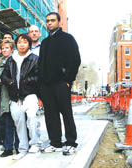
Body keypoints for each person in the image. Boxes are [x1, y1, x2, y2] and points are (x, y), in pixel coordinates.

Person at [38, 12, 81, 155]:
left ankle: (71, 142)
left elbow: (75, 60)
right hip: (46, 85)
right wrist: (41, 84)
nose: (49, 23)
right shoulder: (44, 42)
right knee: (50, 114)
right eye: (47, 21)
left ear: (59, 22)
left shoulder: (67, 39)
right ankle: (55, 142)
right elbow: (41, 64)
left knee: (66, 113)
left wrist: (68, 79)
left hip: (61, 83)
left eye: (52, 20)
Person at [1, 33, 40, 160]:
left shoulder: (34, 58)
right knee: (19, 123)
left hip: (29, 94)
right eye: (19, 42)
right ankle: (22, 149)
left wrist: (27, 81)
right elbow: (4, 75)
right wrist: (10, 82)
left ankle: (34, 143)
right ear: (16, 44)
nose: (22, 44)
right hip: (15, 96)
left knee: (32, 118)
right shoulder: (11, 59)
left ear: (29, 44)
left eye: (25, 42)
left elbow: (39, 75)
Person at [0, 40, 19, 157]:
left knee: (19, 123)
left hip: (16, 96)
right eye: (3, 48)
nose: (4, 50)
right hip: (4, 97)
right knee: (7, 123)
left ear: (12, 49)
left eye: (7, 48)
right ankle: (8, 147)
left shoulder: (17, 61)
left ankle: (19, 146)